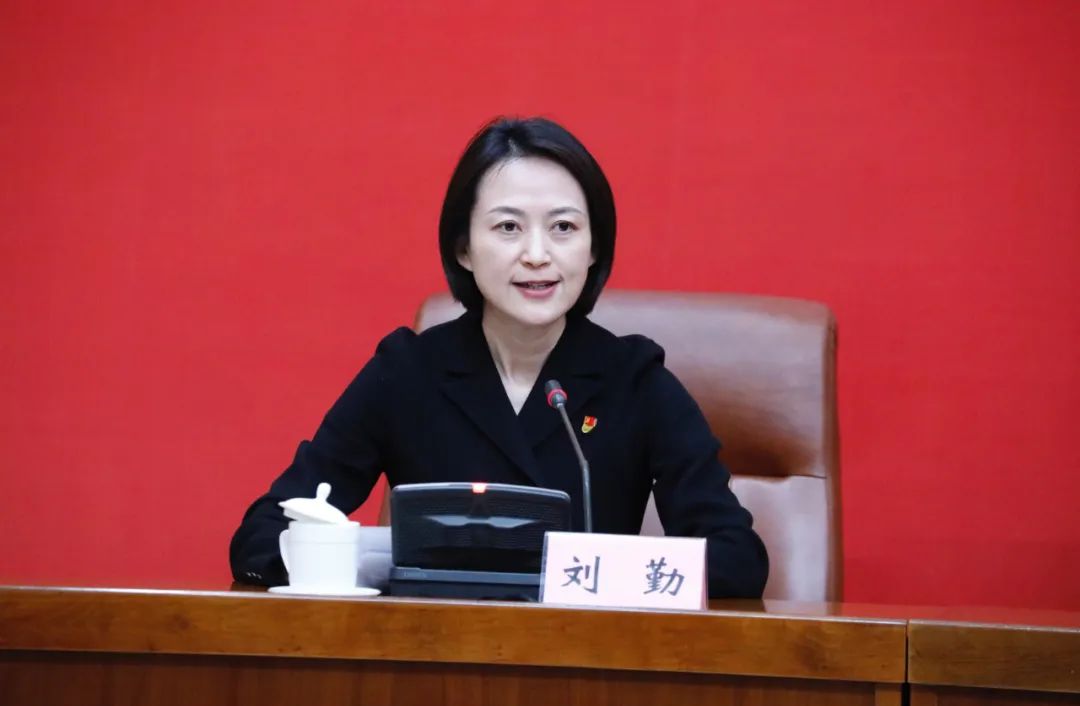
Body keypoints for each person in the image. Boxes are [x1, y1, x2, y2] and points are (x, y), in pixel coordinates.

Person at [230, 117, 769, 598]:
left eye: (563, 228)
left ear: (593, 248)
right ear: (463, 248)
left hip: (585, 661)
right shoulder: (408, 373)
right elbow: (260, 537)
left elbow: (738, 560)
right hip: (434, 657)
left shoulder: (635, 382)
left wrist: (590, 573)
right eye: (508, 227)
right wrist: (377, 564)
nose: (537, 254)